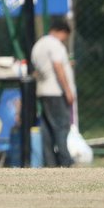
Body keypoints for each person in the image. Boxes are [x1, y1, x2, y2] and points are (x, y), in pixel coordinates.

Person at [30, 18, 76, 167]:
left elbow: (40, 68)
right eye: (65, 37)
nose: (65, 40)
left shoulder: (38, 45)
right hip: (56, 92)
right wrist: (68, 90)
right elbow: (57, 67)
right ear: (61, 32)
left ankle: (50, 162)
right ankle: (65, 161)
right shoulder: (56, 45)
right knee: (62, 126)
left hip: (43, 91)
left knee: (47, 128)